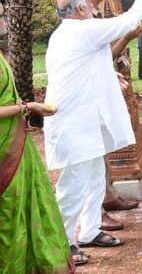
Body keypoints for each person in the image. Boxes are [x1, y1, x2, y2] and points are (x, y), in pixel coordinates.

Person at [44, 0, 142, 260]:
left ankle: (88, 232)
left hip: (85, 121)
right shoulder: (81, 30)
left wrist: (111, 76)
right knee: (73, 184)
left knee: (95, 175)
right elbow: (130, 20)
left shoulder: (73, 33)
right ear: (80, 8)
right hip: (73, 123)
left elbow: (86, 66)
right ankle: (64, 245)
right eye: (86, 3)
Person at [64, 0, 141, 232]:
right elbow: (104, 53)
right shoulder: (79, 26)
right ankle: (91, 219)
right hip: (81, 109)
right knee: (84, 170)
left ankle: (103, 205)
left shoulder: (92, 17)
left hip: (96, 99)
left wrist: (111, 75)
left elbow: (101, 59)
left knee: (100, 159)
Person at [0, 56, 76, 271]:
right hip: (3, 150)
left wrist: (22, 116)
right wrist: (27, 108)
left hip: (15, 139)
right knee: (8, 208)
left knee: (25, 201)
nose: (5, 20)